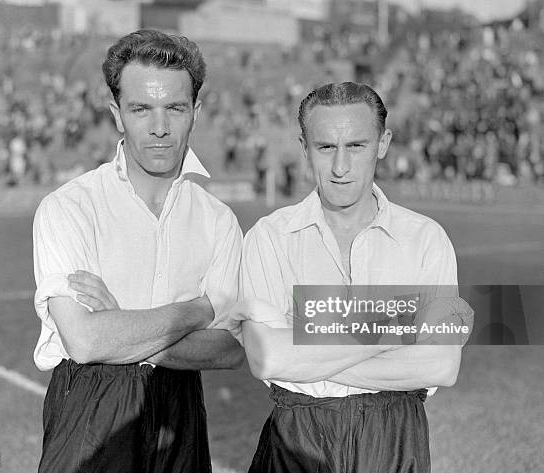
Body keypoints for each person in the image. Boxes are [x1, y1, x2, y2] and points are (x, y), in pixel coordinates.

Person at [231, 82, 473, 473]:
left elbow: (441, 365)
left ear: (382, 143)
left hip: (394, 435)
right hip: (297, 435)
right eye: (326, 147)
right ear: (304, 147)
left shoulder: (426, 239)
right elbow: (268, 358)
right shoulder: (269, 237)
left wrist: (304, 343)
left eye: (356, 146)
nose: (340, 167)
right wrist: (401, 323)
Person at [32, 30, 244, 473]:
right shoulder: (69, 208)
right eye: (141, 108)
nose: (160, 127)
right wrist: (196, 311)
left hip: (181, 408)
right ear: (116, 114)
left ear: (196, 112)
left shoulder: (218, 220)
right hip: (91, 405)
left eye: (175, 108)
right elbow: (87, 341)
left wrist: (122, 319)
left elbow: (229, 350)